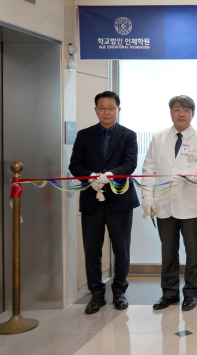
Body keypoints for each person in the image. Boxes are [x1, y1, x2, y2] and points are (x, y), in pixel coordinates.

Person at [69, 91, 139, 314]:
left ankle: (119, 291)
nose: (106, 112)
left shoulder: (128, 135)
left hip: (120, 200)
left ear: (118, 110)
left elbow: (130, 164)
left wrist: (110, 175)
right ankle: (96, 294)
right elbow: (74, 164)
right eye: (102, 108)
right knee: (92, 250)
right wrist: (90, 177)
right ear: (96, 110)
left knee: (121, 249)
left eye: (111, 108)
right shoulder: (84, 135)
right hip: (92, 201)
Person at [141, 95, 197, 312]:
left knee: (194, 253)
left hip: (192, 205)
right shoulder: (159, 138)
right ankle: (169, 293)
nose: (181, 114)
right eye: (177, 110)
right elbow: (149, 168)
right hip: (164, 204)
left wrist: (184, 174)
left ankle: (191, 293)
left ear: (193, 114)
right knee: (168, 252)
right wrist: (147, 196)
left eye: (186, 110)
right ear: (170, 113)